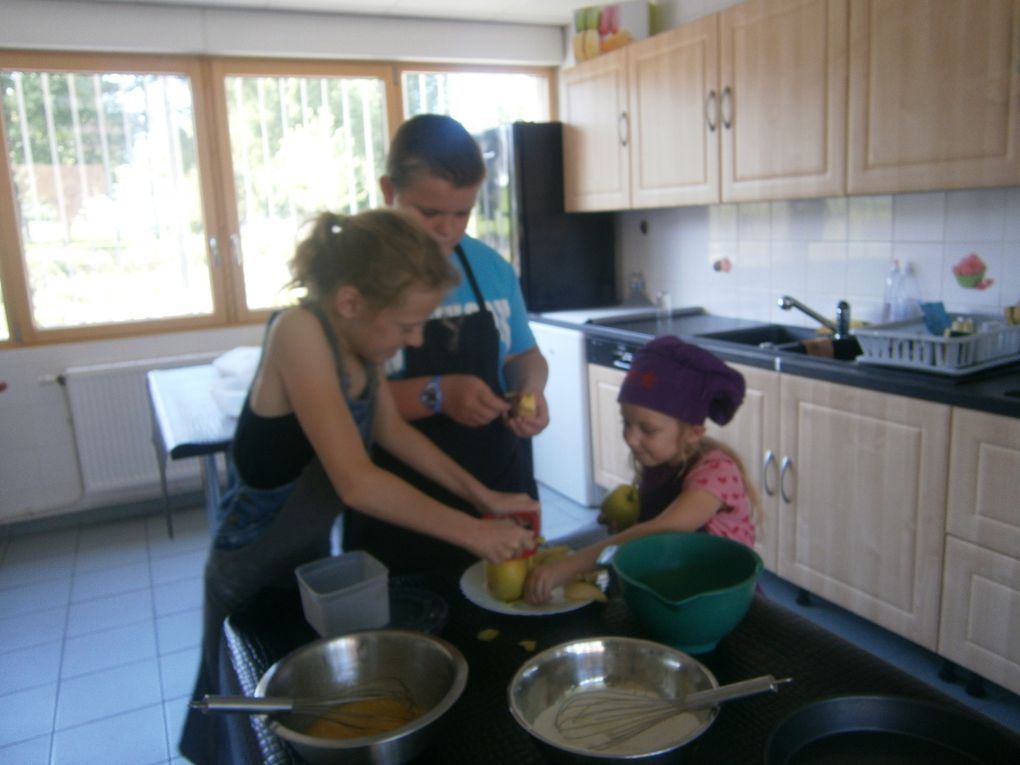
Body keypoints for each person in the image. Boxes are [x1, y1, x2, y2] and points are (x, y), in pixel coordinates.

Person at [179, 208, 536, 764]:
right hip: (249, 568)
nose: (414, 339)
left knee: (300, 712)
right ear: (350, 302)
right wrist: (474, 533)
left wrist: (482, 498)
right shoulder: (299, 333)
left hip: (309, 563)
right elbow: (358, 483)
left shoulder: (362, 350)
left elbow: (393, 436)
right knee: (241, 719)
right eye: (407, 325)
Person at [342, 114, 550, 575]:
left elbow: (522, 354)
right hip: (402, 511)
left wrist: (530, 392)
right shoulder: (356, 283)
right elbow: (355, 405)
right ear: (387, 190)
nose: (447, 229)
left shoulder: (491, 268)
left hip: (496, 485)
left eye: (462, 213)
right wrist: (439, 392)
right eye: (430, 213)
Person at [524, 336, 758, 605]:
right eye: (627, 422)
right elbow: (652, 534)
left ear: (694, 432)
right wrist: (627, 526)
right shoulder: (660, 462)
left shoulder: (716, 472)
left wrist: (568, 566)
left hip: (719, 600)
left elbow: (665, 529)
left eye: (647, 429)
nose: (631, 439)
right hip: (671, 588)